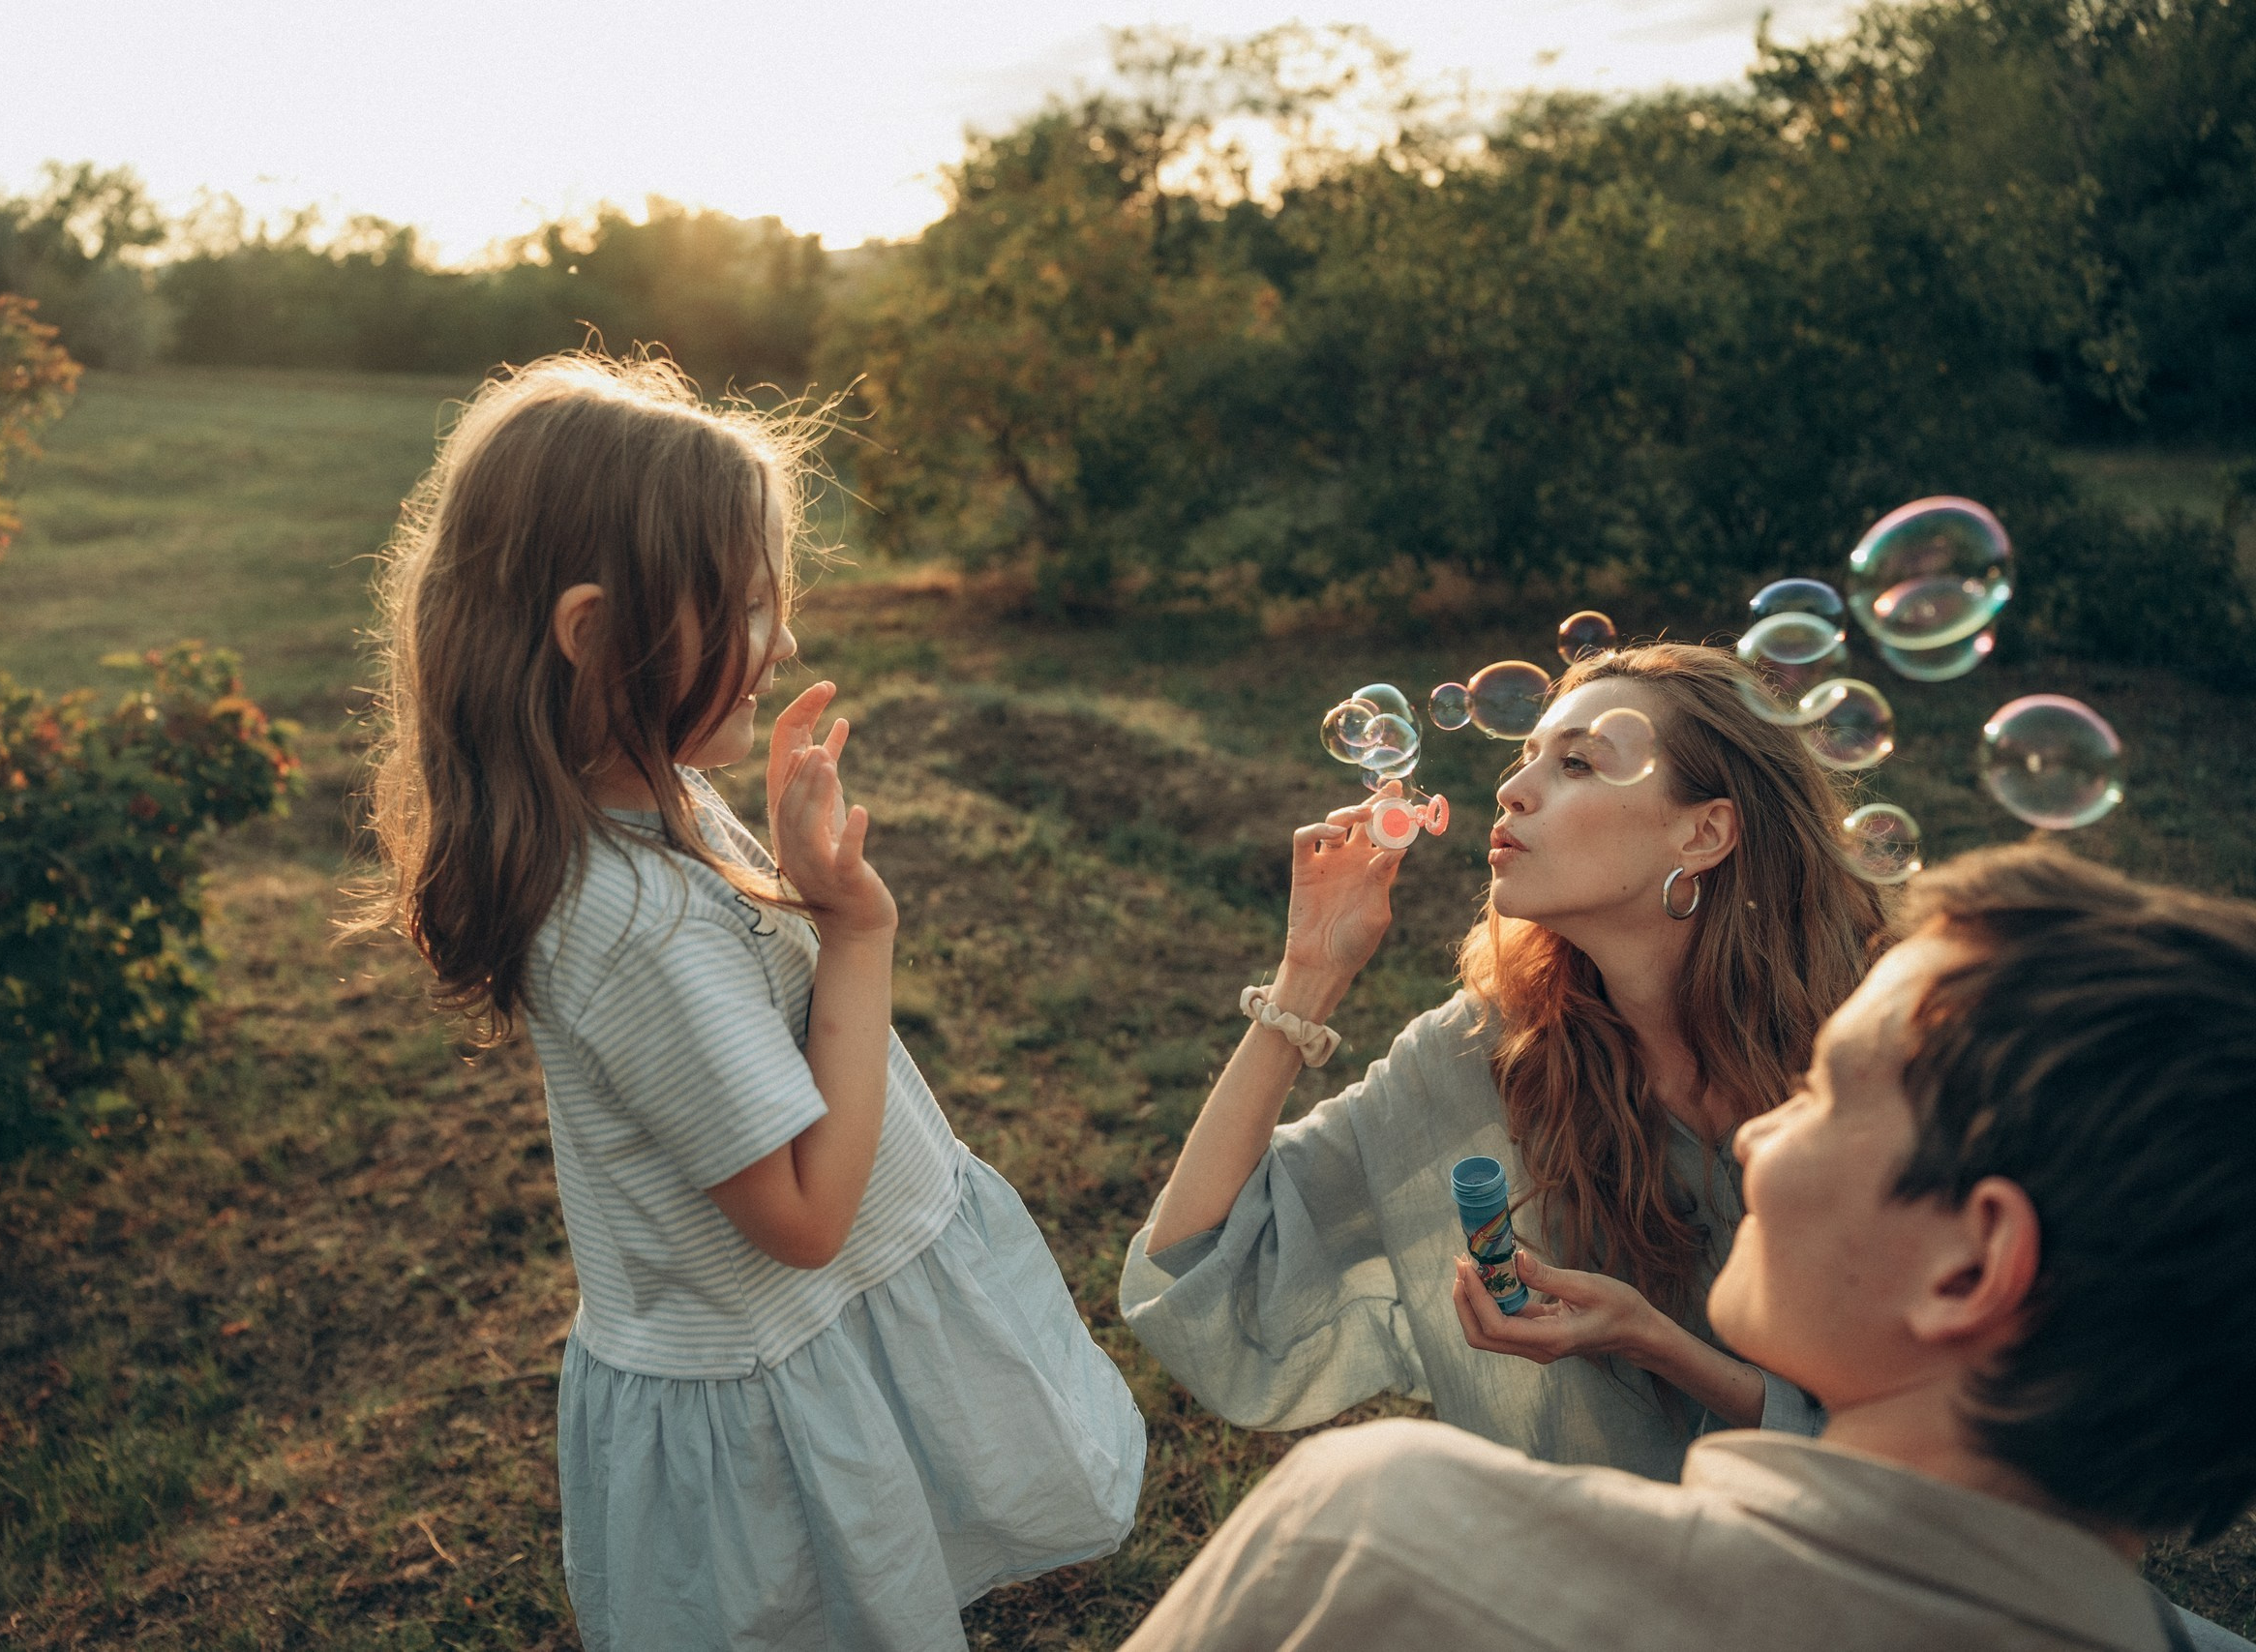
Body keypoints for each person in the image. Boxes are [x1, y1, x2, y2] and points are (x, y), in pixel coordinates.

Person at [357, 354, 1142, 1651]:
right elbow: (805, 1216)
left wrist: (791, 885)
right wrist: (858, 928)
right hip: (768, 1375)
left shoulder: (646, 798)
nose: (783, 643)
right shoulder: (625, 922)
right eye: (752, 607)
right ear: (593, 633)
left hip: (802, 1341)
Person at [1120, 842, 2256, 1651]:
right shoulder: (1484, 1047)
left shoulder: (1372, 1538)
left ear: (1969, 1267)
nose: (1761, 1137)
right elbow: (1206, 1258)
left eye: (1824, 1096)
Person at [1124, 645, 1884, 1478]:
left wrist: (1654, 1340)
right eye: (1526, 757)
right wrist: (1308, 973)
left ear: (1702, 832)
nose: (1512, 789)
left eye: (1577, 763)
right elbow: (1196, 1263)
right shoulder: (1501, 1048)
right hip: (1614, 1533)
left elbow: (1934, 1433)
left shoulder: (1885, 1051)